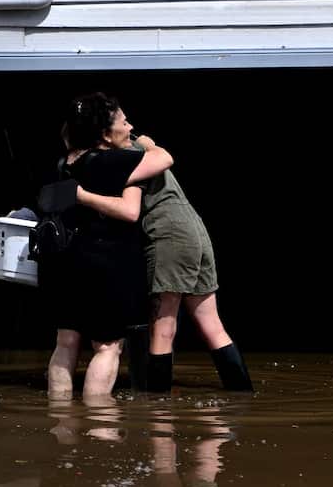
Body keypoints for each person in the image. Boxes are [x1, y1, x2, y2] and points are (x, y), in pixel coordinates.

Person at [74, 134, 253, 393]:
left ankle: (158, 412)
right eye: (124, 122)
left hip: (169, 232)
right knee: (211, 324)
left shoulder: (127, 155)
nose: (131, 127)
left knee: (163, 328)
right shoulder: (142, 149)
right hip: (194, 229)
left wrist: (80, 194)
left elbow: (129, 208)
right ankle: (243, 399)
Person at [41, 93, 174, 399]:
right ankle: (99, 427)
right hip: (105, 262)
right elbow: (164, 160)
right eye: (123, 122)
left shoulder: (65, 162)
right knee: (107, 347)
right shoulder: (113, 161)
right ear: (104, 134)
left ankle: (61, 421)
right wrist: (148, 144)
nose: (129, 127)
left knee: (66, 341)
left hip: (65, 262)